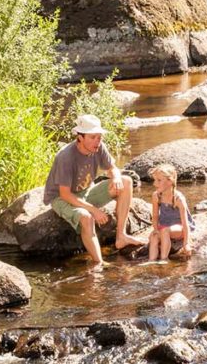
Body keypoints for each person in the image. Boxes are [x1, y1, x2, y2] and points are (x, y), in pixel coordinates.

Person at [42, 114, 146, 266]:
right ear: (80, 137)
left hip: (86, 192)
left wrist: (116, 177)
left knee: (126, 181)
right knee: (87, 217)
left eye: (99, 137)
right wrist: (94, 210)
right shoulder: (65, 157)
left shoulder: (98, 147)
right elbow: (65, 194)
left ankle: (121, 236)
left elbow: (112, 169)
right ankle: (99, 263)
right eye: (92, 137)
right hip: (62, 198)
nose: (97, 141)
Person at [147, 164, 194, 261]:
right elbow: (155, 216)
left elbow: (185, 224)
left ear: (170, 181)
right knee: (154, 237)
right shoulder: (156, 196)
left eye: (159, 180)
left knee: (165, 231)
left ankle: (164, 259)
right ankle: (151, 261)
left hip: (179, 227)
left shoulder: (178, 199)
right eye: (155, 180)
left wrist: (186, 243)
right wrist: (155, 229)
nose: (155, 184)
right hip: (164, 225)